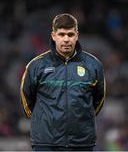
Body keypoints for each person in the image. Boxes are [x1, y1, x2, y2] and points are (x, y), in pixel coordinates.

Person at [20, 13, 106, 151]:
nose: (66, 39)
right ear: (53, 35)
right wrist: (43, 121)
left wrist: (81, 118)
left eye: (70, 34)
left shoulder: (93, 65)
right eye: (61, 34)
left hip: (82, 143)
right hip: (46, 143)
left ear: (77, 35)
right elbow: (26, 100)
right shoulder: (36, 66)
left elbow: (98, 100)